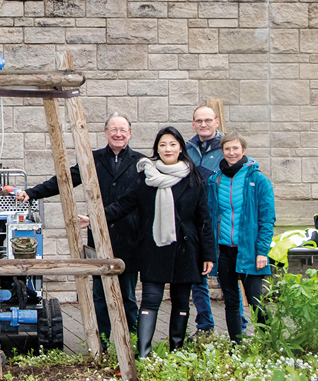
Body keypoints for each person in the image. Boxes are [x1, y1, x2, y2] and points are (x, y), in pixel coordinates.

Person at [80, 126, 216, 358]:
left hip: (186, 249)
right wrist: (95, 218)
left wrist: (209, 254)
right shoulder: (147, 177)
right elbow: (124, 204)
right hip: (154, 248)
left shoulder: (194, 177)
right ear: (157, 149)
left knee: (181, 301)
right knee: (150, 299)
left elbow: (204, 219)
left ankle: (176, 352)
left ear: (180, 147)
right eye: (162, 145)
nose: (167, 149)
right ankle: (143, 353)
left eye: (172, 144)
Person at [17, 112, 144, 346]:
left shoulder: (141, 162)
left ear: (129, 133)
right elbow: (64, 180)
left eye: (122, 130)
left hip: (129, 237)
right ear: (106, 133)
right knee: (100, 295)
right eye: (113, 129)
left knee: (127, 295)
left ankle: (134, 342)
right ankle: (103, 343)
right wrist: (32, 193)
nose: (118, 134)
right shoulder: (92, 159)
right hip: (98, 238)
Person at [207, 133, 275, 344]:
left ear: (243, 150)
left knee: (256, 300)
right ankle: (236, 344)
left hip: (251, 250)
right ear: (222, 151)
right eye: (227, 149)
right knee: (231, 301)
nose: (232, 153)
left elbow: (267, 218)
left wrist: (262, 251)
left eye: (236, 148)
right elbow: (210, 216)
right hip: (225, 249)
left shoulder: (258, 180)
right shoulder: (215, 180)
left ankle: (269, 341)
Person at [186, 105, 247, 335]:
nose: (203, 124)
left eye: (208, 120)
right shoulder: (188, 148)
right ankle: (205, 326)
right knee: (198, 277)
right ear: (193, 123)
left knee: (227, 278)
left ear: (217, 122)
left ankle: (239, 325)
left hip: (220, 224)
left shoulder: (226, 148)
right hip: (195, 223)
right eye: (199, 120)